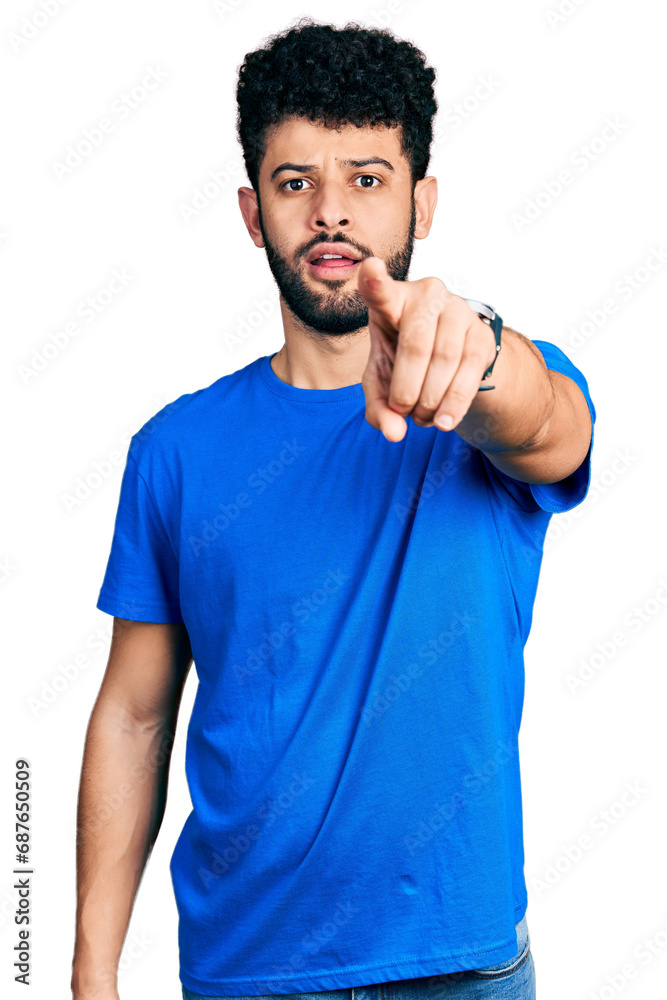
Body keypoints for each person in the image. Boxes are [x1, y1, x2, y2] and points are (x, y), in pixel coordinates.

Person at [70, 18, 595, 1000]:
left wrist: (476, 351)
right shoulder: (173, 450)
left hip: (459, 967)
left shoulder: (488, 389)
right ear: (250, 210)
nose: (331, 213)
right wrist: (90, 967)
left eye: (367, 177)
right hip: (244, 970)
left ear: (420, 202)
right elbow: (135, 713)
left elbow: (547, 423)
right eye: (295, 181)